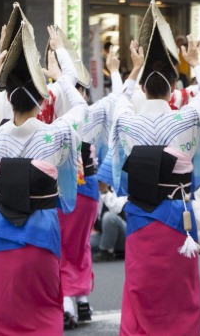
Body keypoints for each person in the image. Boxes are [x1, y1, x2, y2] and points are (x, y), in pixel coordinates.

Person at [0, 20, 86, 336]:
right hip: (42, 233)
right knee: (45, 309)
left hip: (0, 233)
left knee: (6, 316)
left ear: (9, 100)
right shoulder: (56, 133)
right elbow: (78, 103)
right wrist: (62, 58)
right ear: (42, 100)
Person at [110, 1, 200, 336]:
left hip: (141, 214)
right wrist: (198, 62)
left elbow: (119, 97)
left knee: (142, 283)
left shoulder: (127, 120)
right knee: (178, 285)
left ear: (143, 88)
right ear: (174, 88)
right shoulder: (186, 116)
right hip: (177, 212)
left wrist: (129, 70)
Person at [54, 30, 123, 328]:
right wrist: (117, 70)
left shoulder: (56, 120)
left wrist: (58, 66)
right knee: (79, 244)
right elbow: (120, 96)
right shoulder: (94, 112)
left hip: (63, 189)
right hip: (89, 189)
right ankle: (82, 302)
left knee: (61, 246)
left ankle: (68, 303)